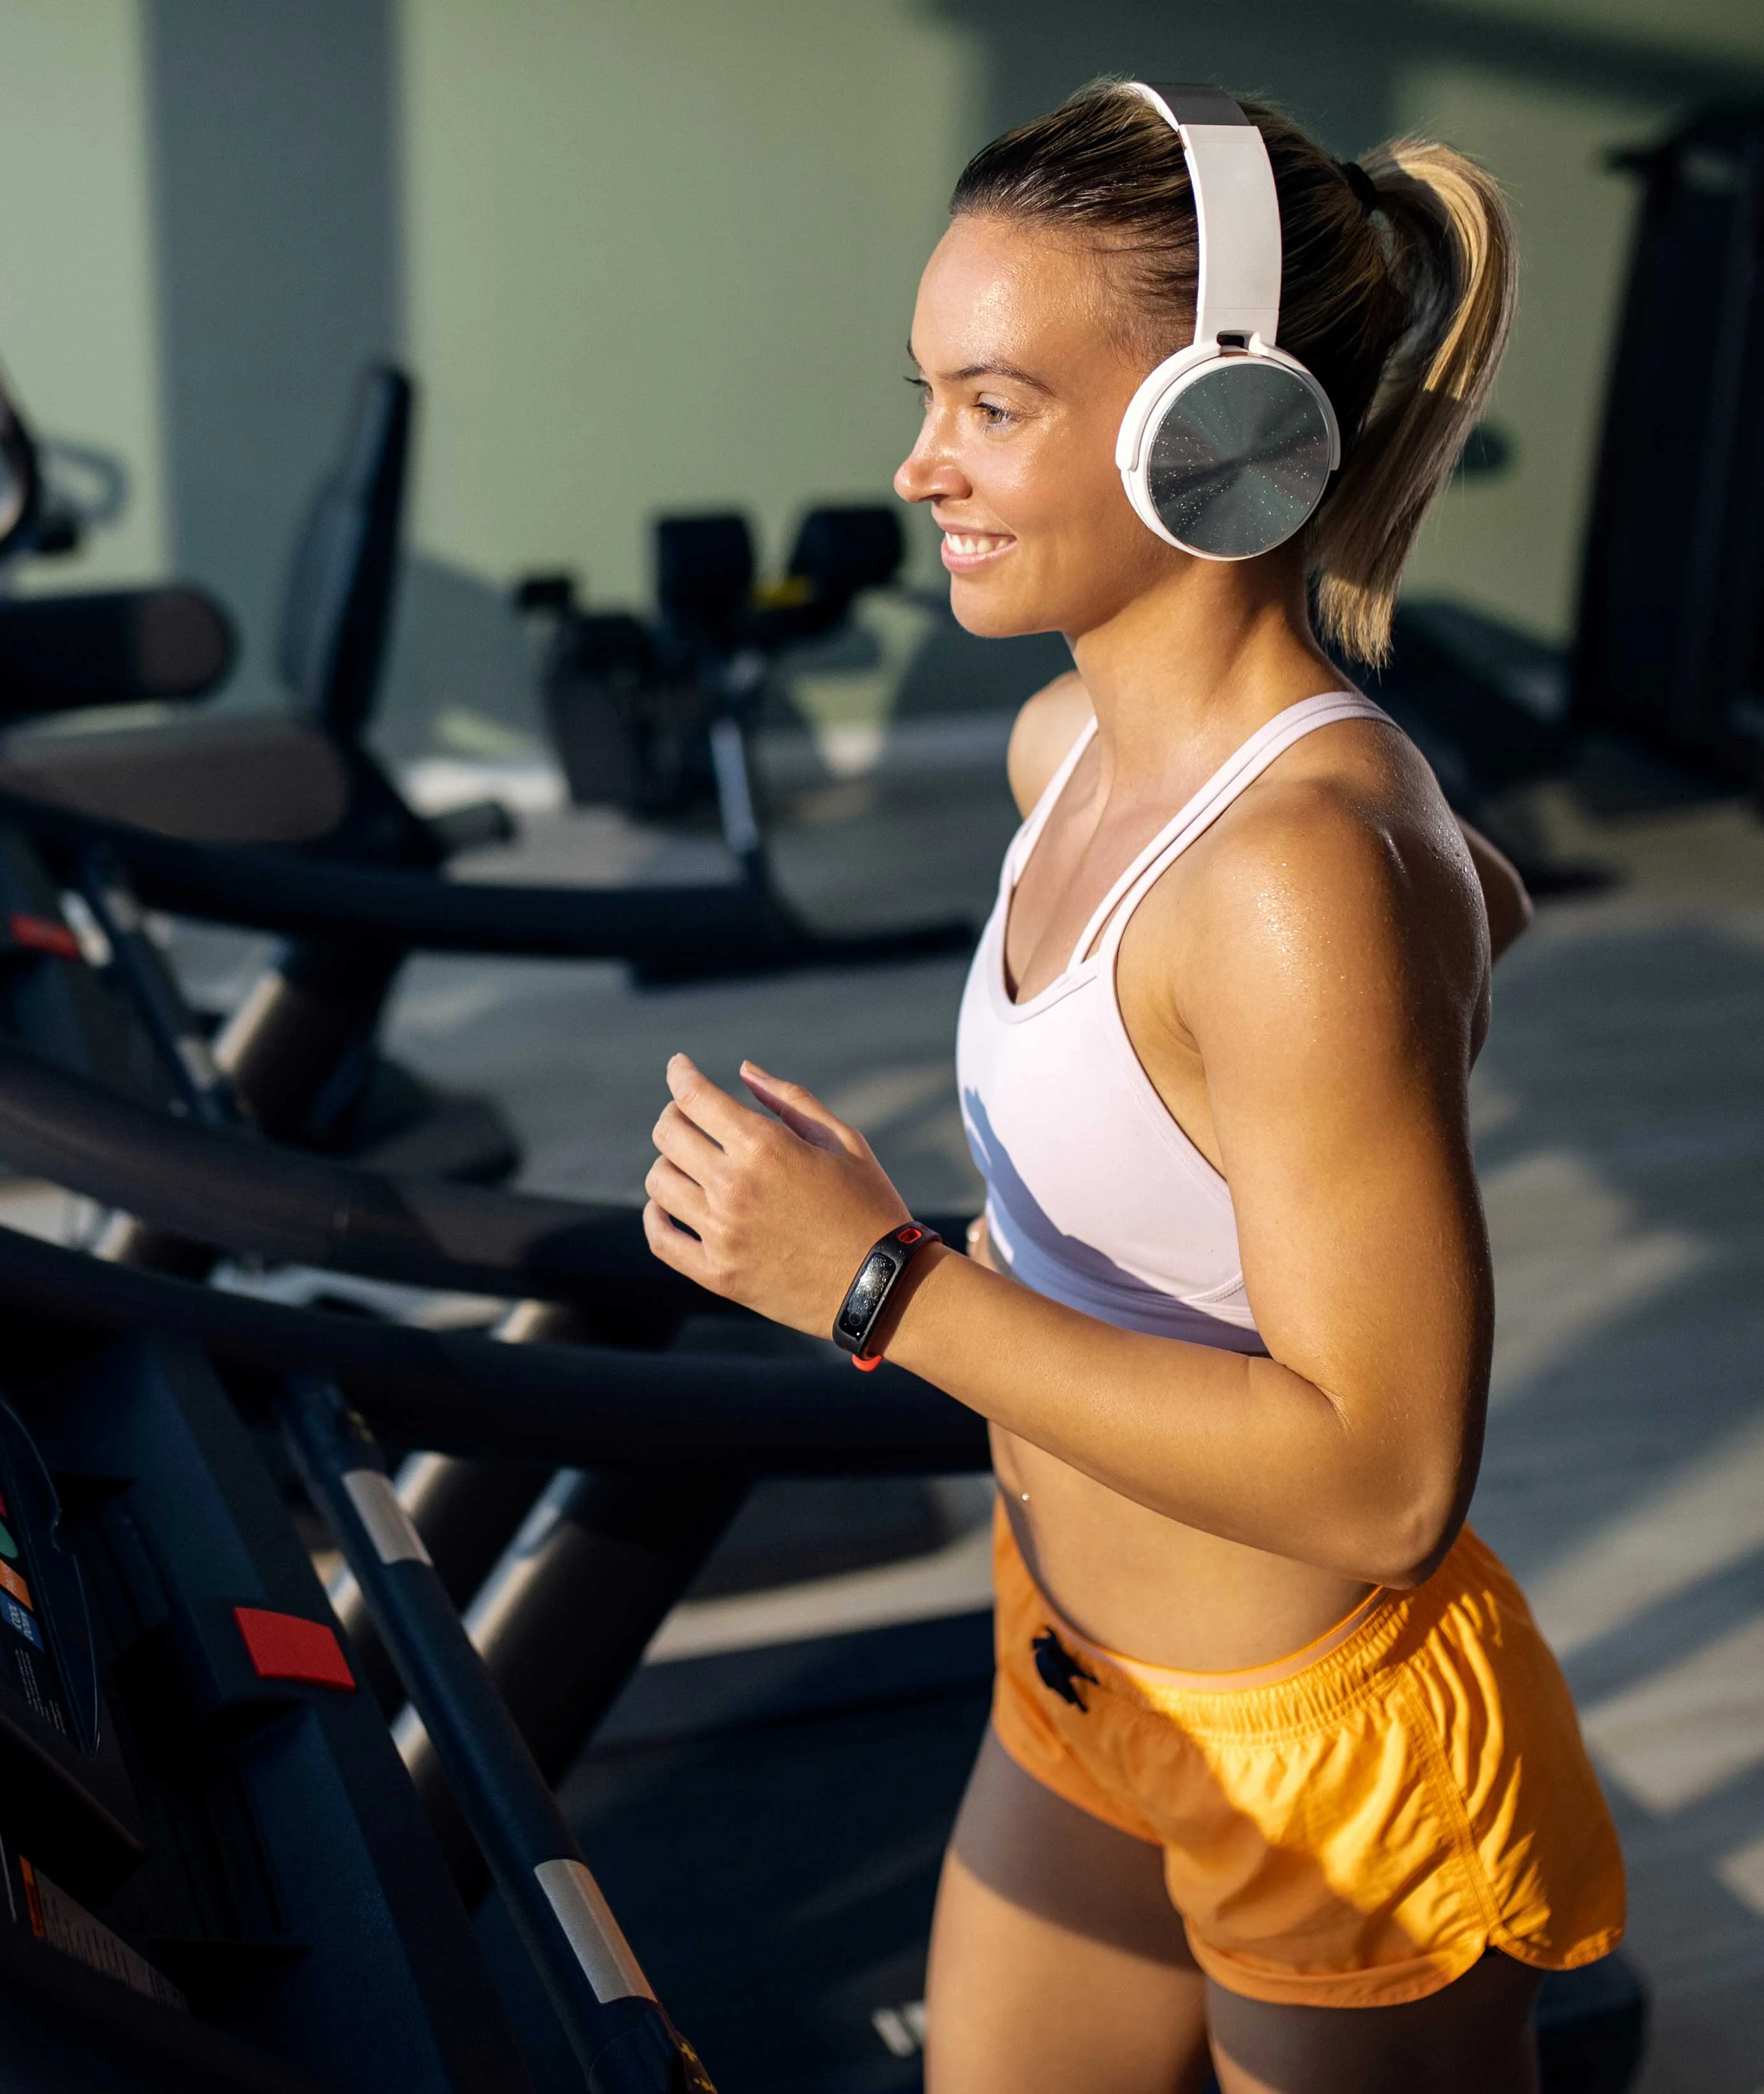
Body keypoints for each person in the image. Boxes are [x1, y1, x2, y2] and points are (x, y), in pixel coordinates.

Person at [641, 79, 1624, 2094]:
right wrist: (1401, 954)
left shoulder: (1293, 874)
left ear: (1218, 433)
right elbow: (1445, 907)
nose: (919, 465)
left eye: (990, 405)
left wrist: (881, 1282)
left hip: (1316, 1744)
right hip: (1071, 1666)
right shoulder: (1064, 758)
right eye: (929, 396)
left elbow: (1382, 1478)